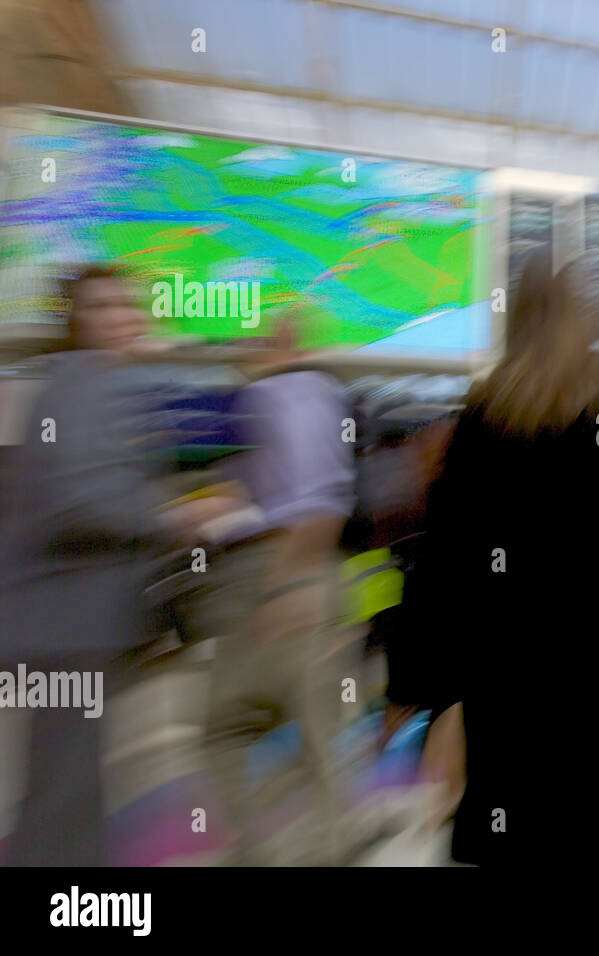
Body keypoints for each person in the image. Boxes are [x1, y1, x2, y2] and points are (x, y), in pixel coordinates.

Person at [404, 255, 599, 865]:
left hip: (508, 686)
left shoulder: (481, 420)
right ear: (585, 320)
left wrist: (440, 700)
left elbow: (443, 568)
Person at [0, 264, 227, 864]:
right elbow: (76, 500)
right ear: (77, 322)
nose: (125, 317)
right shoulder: (77, 386)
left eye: (129, 305)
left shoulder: (83, 386)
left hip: (68, 627)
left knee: (70, 784)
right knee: (63, 789)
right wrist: (167, 517)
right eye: (104, 307)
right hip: (62, 630)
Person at [198, 306, 358, 864]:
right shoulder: (322, 393)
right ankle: (331, 844)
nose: (242, 348)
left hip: (277, 574)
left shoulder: (276, 395)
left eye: (252, 337)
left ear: (277, 341)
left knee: (223, 731)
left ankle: (257, 850)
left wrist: (285, 587)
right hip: (310, 572)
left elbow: (315, 501)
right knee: (317, 732)